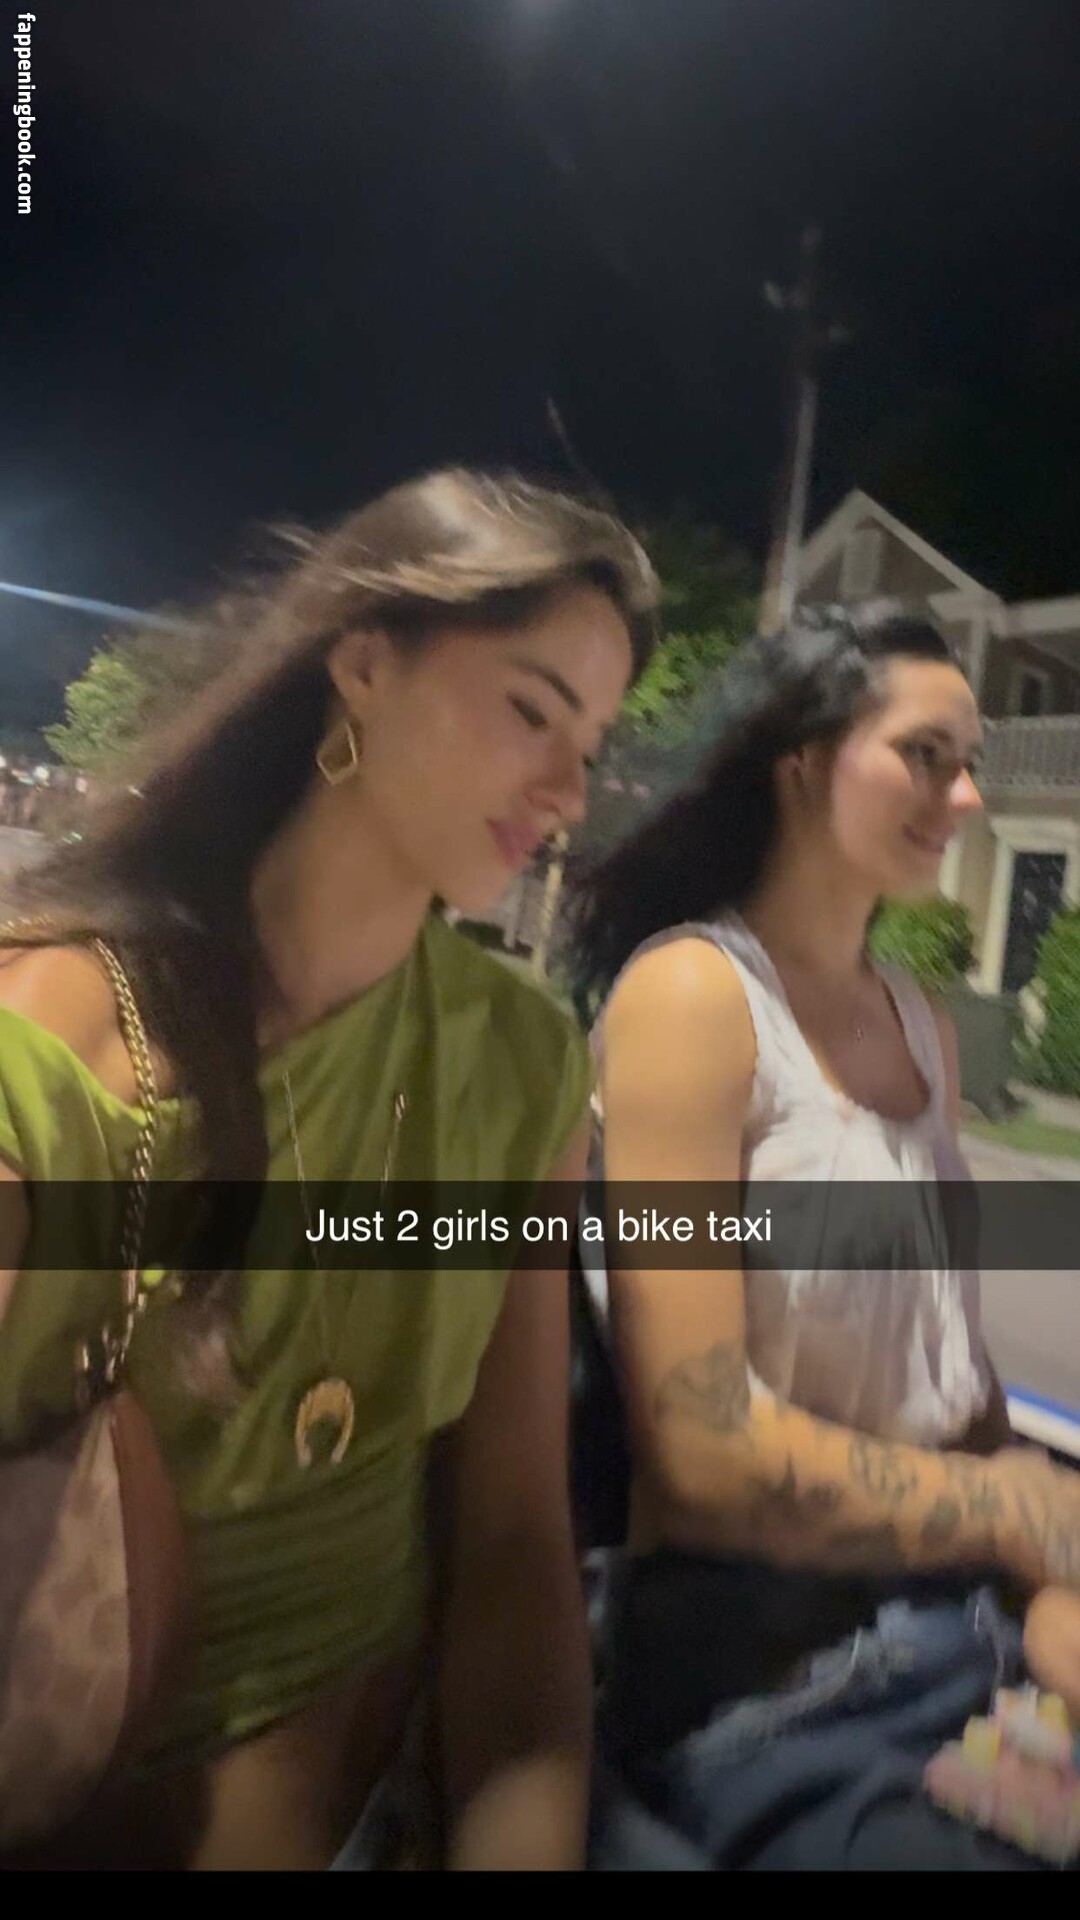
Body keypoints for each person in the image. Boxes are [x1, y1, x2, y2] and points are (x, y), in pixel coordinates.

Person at [0, 467, 658, 1870]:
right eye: (532, 711)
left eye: (590, 744)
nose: (567, 792)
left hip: (402, 1793)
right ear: (362, 663)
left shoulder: (522, 1064)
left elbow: (514, 1536)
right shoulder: (68, 1032)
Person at [570, 604, 1080, 1870]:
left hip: (964, 1628)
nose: (965, 797)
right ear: (801, 761)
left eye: (970, 764)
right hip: (777, 1678)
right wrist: (1011, 1513)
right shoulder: (694, 997)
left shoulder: (920, 1026)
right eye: (924, 755)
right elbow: (704, 1457)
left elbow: (955, 1388)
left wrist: (1054, 1587)